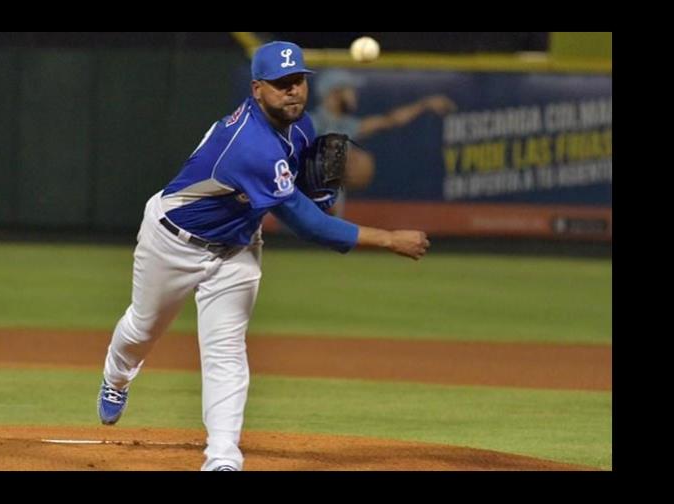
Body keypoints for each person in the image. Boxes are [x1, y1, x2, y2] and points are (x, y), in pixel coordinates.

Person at [96, 41, 430, 471]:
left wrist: (324, 189)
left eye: (298, 81)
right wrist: (388, 239)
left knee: (226, 350)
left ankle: (222, 457)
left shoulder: (302, 126)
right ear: (257, 89)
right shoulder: (249, 145)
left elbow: (308, 189)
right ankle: (117, 376)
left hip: (238, 245)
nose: (293, 91)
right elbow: (308, 224)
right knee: (143, 328)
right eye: (280, 83)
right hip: (174, 240)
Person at [311, 69, 457, 214]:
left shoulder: (345, 125)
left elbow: (390, 120)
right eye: (349, 90)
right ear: (336, 93)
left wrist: (425, 104)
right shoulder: (311, 122)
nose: (354, 95)